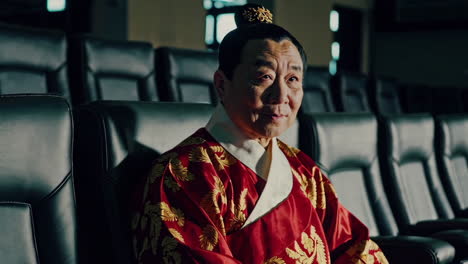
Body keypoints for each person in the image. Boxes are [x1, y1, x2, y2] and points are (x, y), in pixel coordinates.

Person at [131, 4, 388, 264]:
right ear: (222, 84)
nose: (281, 96)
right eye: (264, 77)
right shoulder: (185, 173)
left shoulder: (304, 171)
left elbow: (353, 247)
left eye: (292, 80)